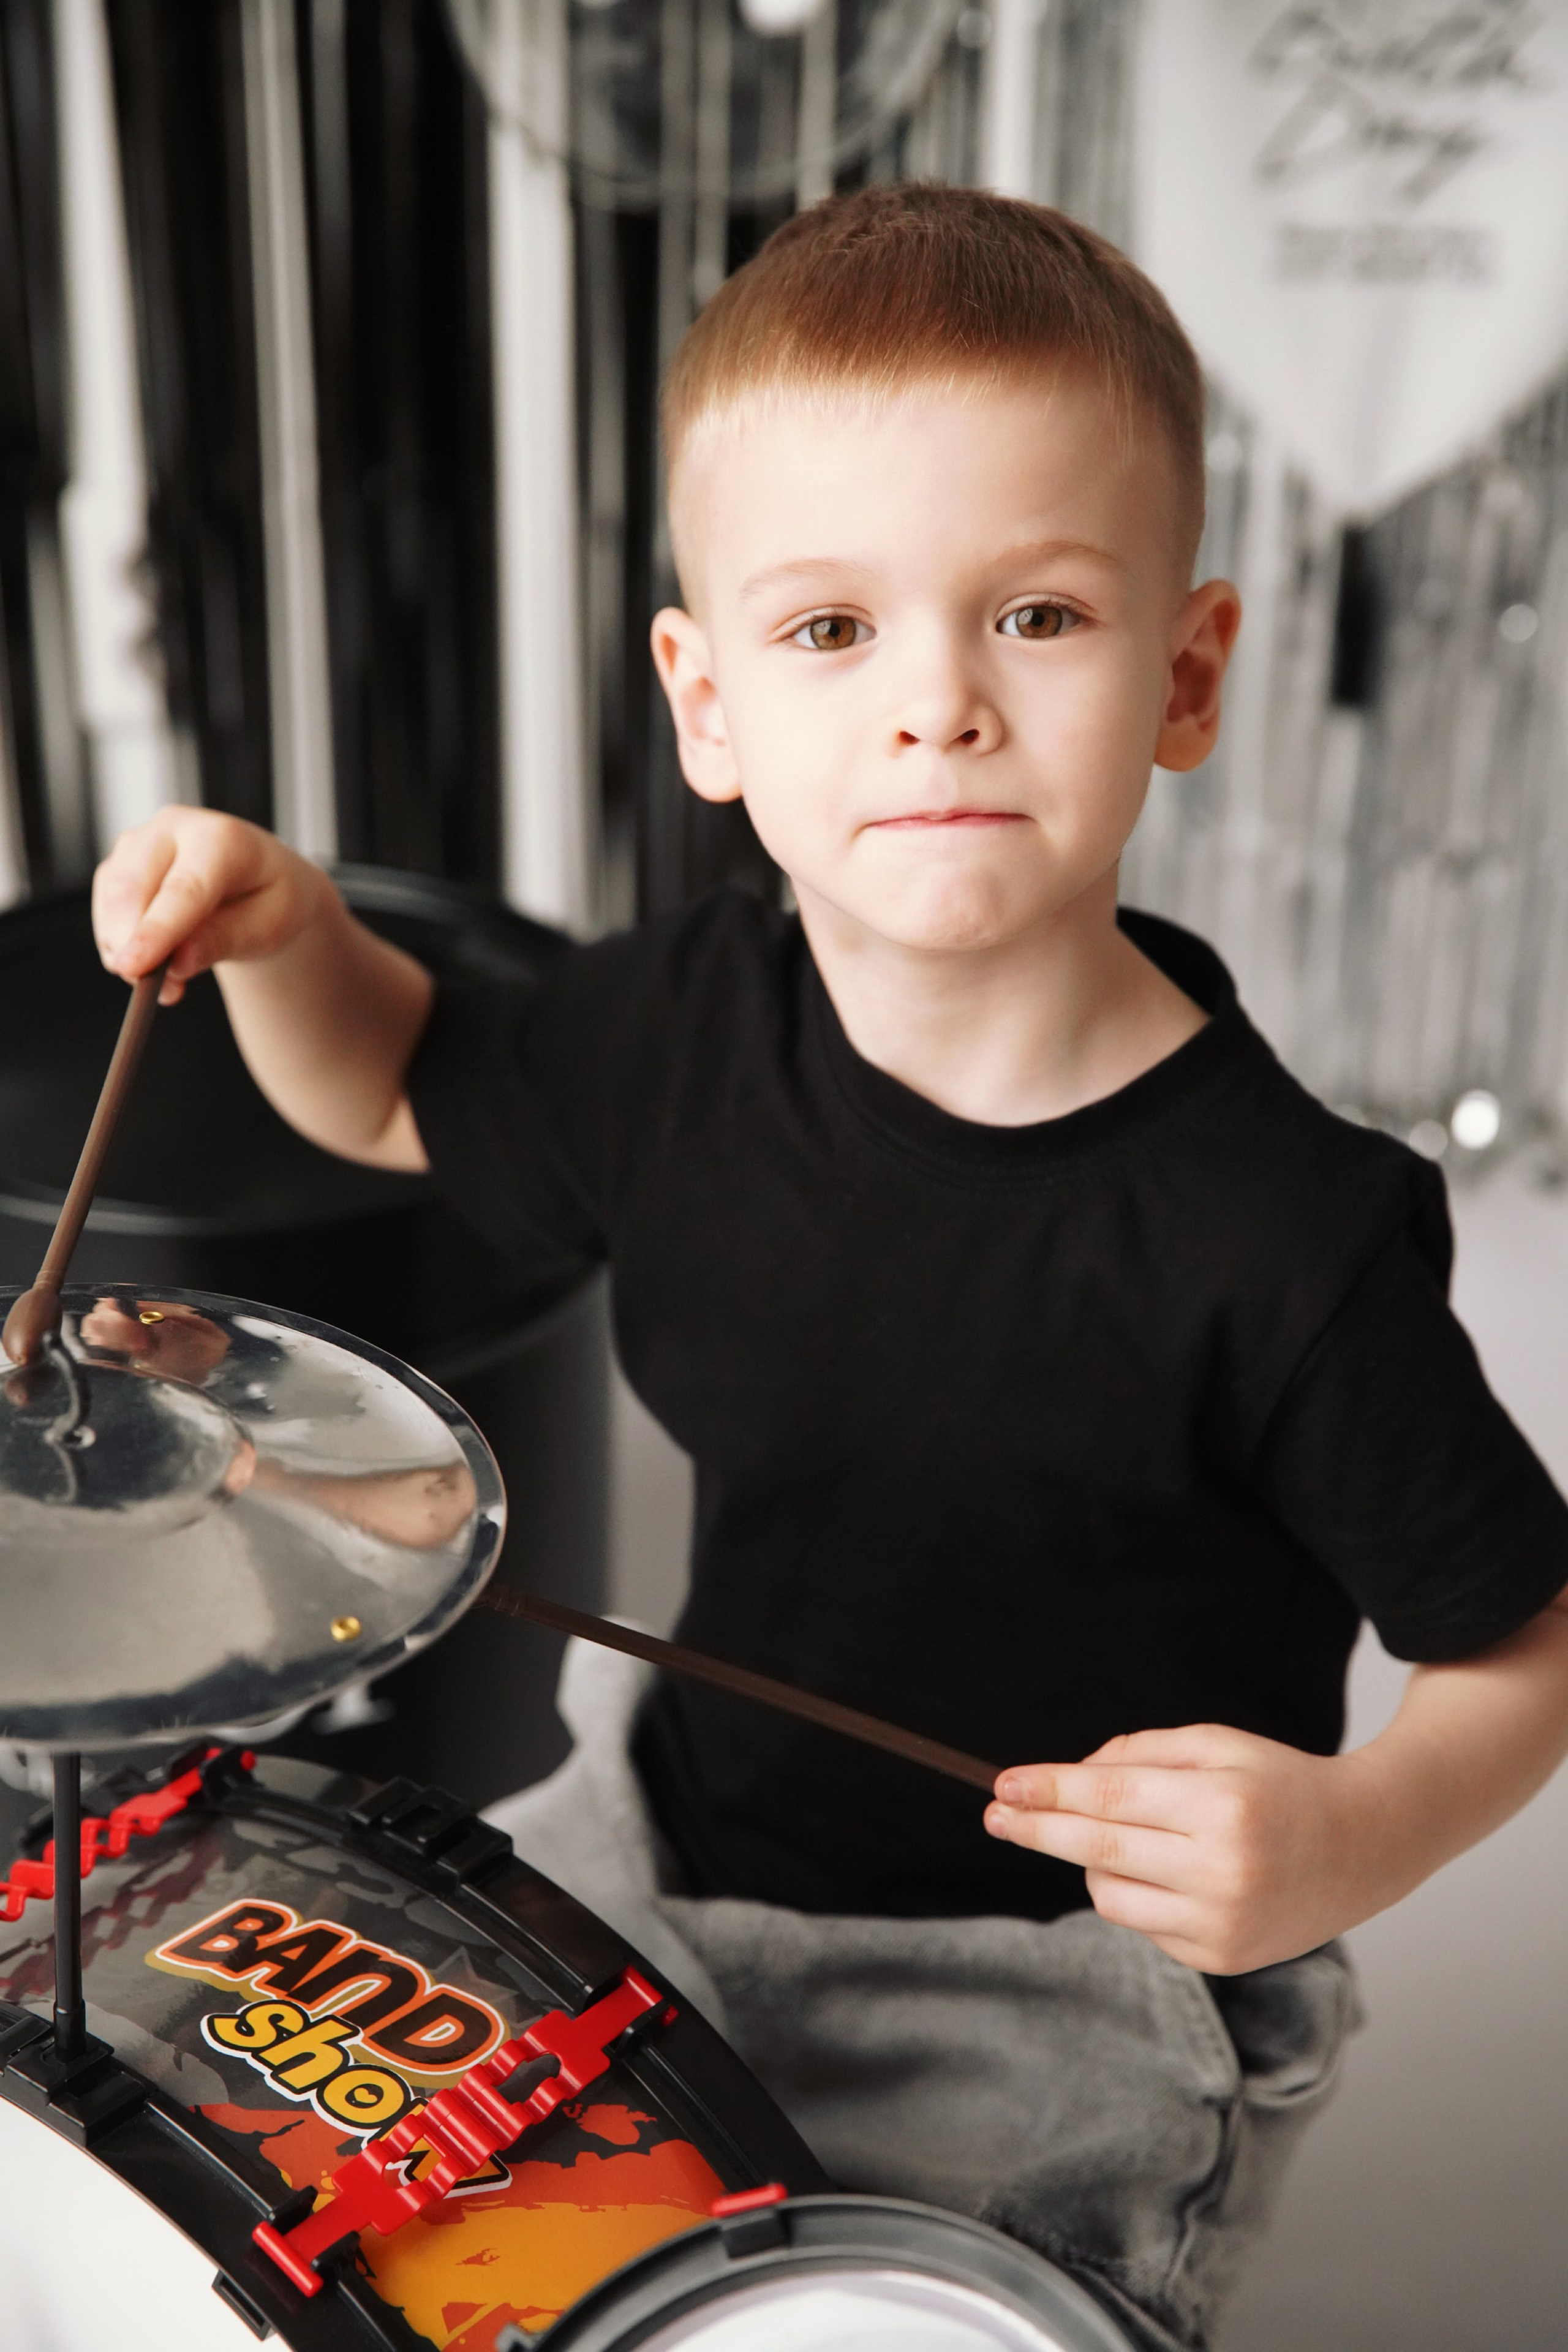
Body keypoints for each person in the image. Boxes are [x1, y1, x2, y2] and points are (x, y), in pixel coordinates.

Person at [88, 185, 1568, 2352]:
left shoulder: (1288, 1231)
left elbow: (1523, 1648)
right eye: (830, 632)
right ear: (706, 704)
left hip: (1068, 1976)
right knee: (355, 2239)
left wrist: (1353, 1838)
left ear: (1185, 671)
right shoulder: (691, 1021)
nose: (940, 708)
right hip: (670, 1841)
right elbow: (407, 1089)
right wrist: (297, 938)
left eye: (1039, 620)